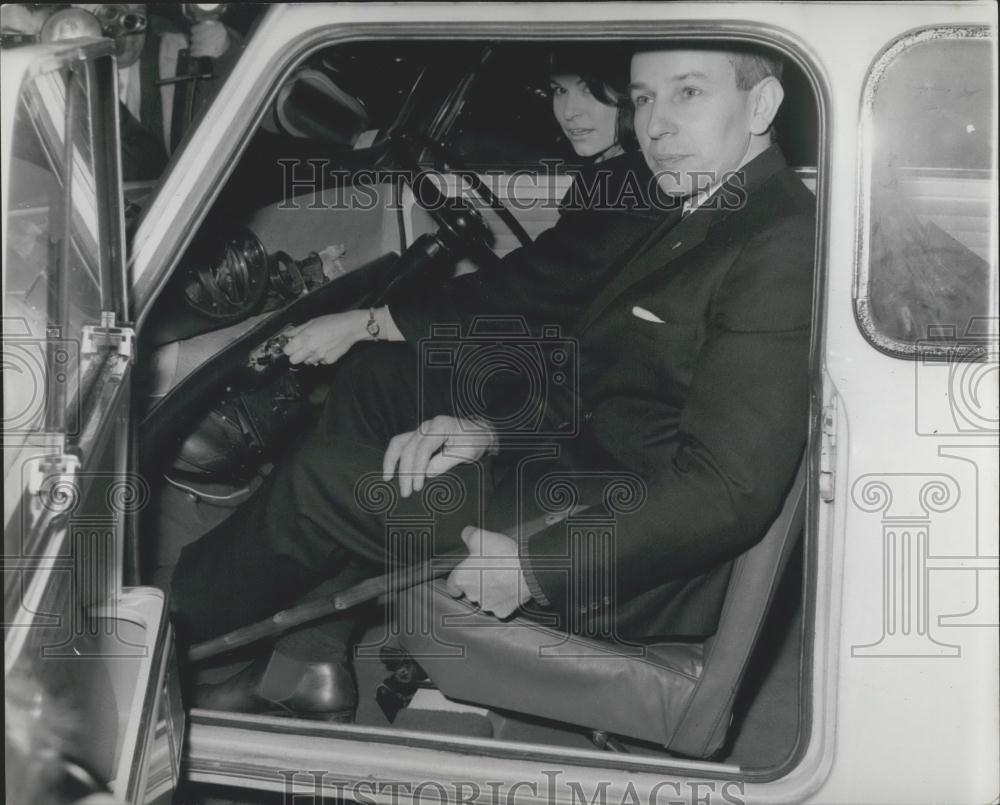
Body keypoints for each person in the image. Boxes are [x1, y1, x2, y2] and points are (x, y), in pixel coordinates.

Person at [171, 43, 814, 723]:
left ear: (762, 104)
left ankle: (167, 644)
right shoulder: (708, 208)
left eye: (688, 92)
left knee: (319, 484)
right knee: (360, 448)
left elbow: (725, 490)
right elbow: (609, 384)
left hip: (617, 553)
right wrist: (488, 432)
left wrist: (535, 567)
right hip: (584, 486)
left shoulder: (777, 243)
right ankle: (298, 652)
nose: (655, 126)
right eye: (645, 98)